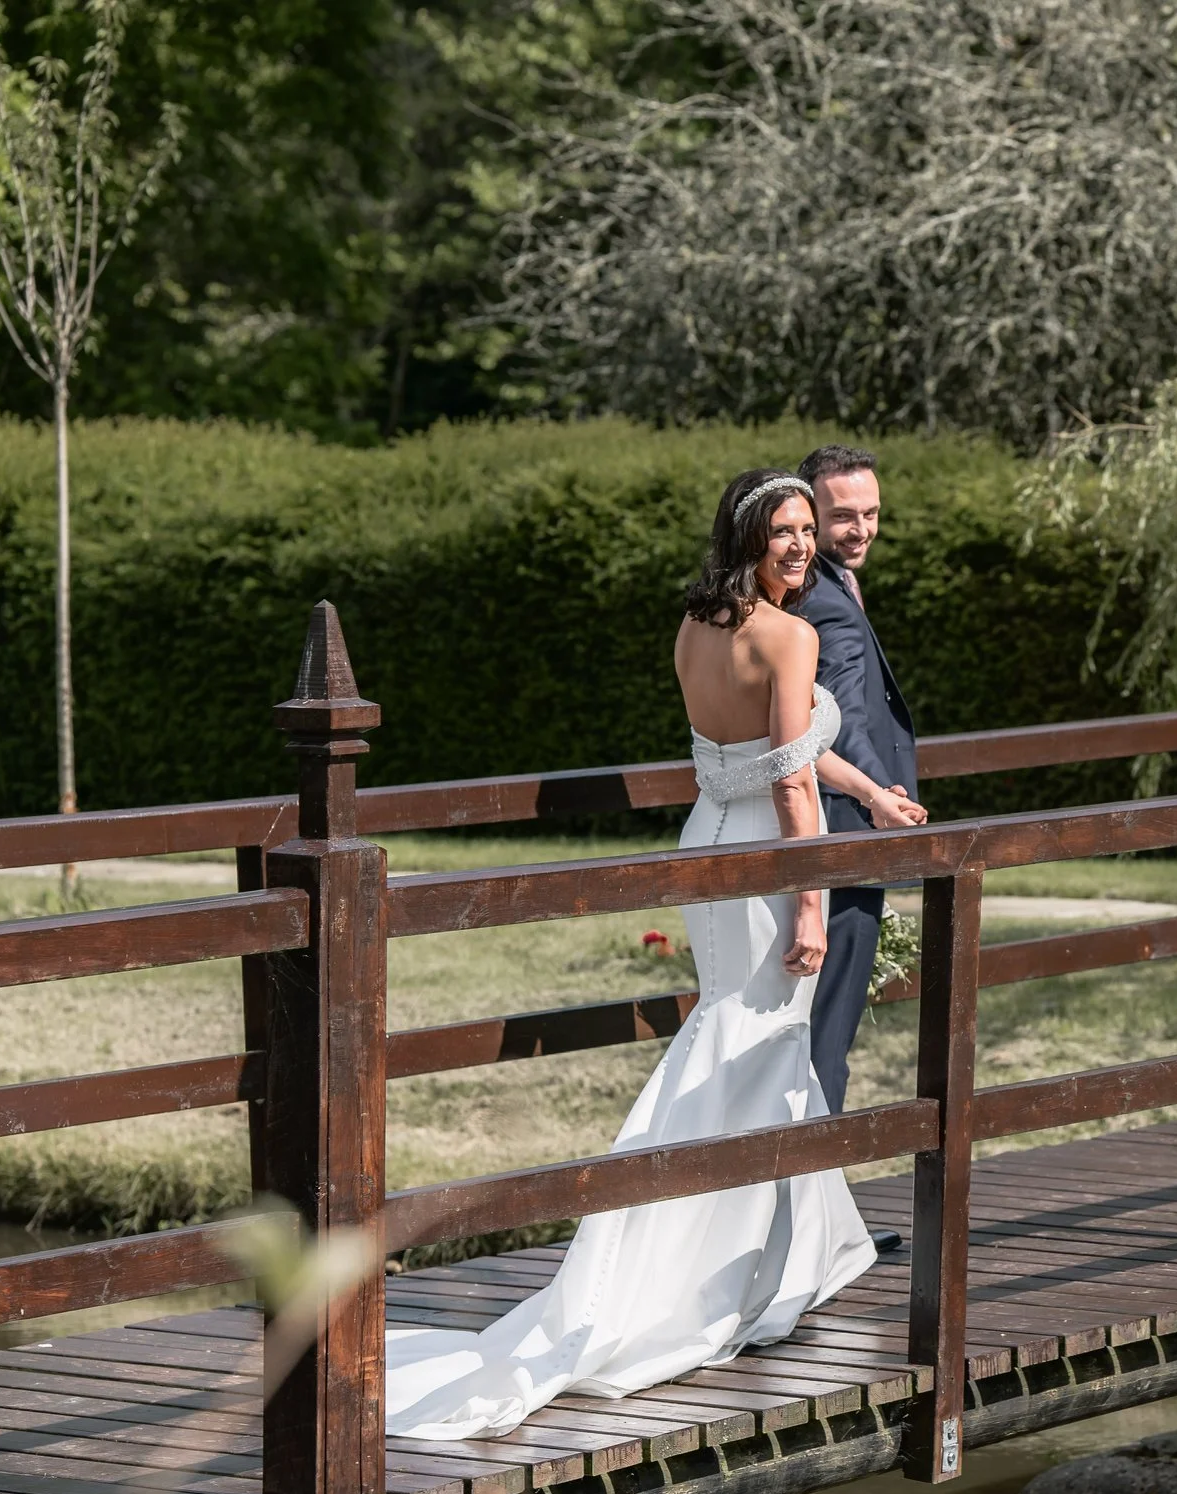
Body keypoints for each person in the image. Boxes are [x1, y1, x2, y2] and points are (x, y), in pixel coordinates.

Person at [383, 467, 912, 1441]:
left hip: (710, 834)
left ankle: (788, 1256)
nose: (802, 546)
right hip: (767, 858)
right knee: (748, 1045)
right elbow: (792, 789)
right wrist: (810, 901)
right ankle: (679, 1276)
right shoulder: (792, 636)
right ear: (749, 537)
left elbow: (772, 747)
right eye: (784, 532)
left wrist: (872, 795)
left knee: (749, 1042)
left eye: (808, 531)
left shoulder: (697, 626)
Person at [787, 444, 924, 1117]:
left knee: (807, 1029)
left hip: (817, 825)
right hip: (843, 828)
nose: (862, 528)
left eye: (871, 512)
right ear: (807, 514)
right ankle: (817, 1209)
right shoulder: (827, 600)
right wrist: (884, 795)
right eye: (843, 516)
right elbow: (841, 718)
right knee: (827, 1033)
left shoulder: (806, 586)